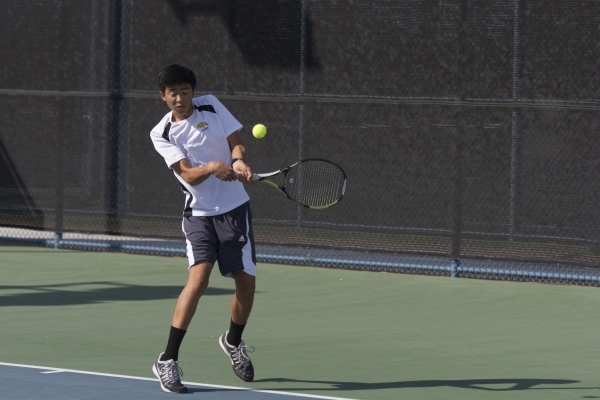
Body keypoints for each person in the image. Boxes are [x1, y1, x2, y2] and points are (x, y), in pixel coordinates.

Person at [149, 64, 257, 393]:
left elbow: (236, 142)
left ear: (193, 92)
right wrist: (211, 167)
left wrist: (237, 160)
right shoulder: (162, 133)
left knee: (247, 284)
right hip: (198, 214)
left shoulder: (211, 104)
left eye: (184, 91)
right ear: (163, 97)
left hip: (235, 209)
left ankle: (233, 342)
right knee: (199, 277)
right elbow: (186, 173)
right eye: (173, 93)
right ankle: (167, 360)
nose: (179, 98)